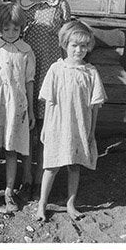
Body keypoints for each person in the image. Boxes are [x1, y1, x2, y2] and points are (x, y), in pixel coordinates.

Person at [35, 20, 106, 223]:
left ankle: (71, 203)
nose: (79, 50)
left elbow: (95, 106)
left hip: (79, 125)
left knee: (75, 165)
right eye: (74, 45)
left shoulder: (91, 72)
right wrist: (46, 127)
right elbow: (49, 101)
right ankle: (42, 204)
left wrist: (91, 131)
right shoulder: (56, 69)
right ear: (65, 45)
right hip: (58, 125)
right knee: (51, 166)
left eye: (83, 46)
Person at [16, 0, 72, 194]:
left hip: (51, 71)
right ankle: (26, 177)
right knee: (28, 127)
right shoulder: (20, 5)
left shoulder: (59, 5)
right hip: (27, 71)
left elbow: (68, 40)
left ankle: (41, 178)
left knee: (46, 126)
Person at [0, 2, 35, 214]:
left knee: (12, 150)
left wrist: (30, 110)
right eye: (6, 29)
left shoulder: (26, 51)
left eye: (16, 29)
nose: (11, 33)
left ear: (22, 28)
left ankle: (9, 192)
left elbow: (29, 81)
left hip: (17, 104)